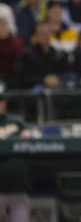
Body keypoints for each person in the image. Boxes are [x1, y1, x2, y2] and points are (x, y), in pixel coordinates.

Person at [0, 80, 31, 222]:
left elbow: (29, 139)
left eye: (3, 100)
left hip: (18, 188)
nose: (1, 104)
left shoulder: (17, 121)